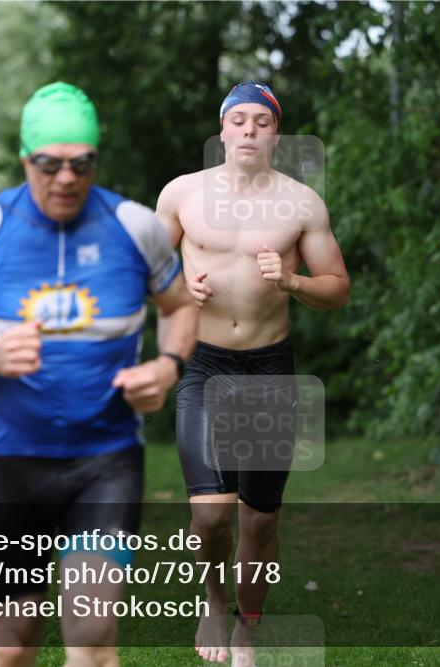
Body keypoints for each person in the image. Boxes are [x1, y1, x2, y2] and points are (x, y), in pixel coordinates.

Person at [0, 82, 197, 667]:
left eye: (81, 163)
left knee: (93, 633)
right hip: (5, 465)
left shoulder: (136, 226)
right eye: (49, 164)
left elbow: (180, 308)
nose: (66, 178)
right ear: (26, 159)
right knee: (12, 644)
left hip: (105, 461)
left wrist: (167, 367)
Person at [156, 81, 350, 665]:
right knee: (209, 513)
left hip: (269, 367)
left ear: (275, 133)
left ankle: (249, 623)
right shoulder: (182, 195)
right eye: (237, 119)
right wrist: (174, 288)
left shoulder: (301, 203)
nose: (248, 130)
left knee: (259, 521)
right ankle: (215, 604)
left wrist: (292, 282)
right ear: (222, 130)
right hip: (205, 364)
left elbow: (337, 289)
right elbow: (140, 271)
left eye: (260, 122)